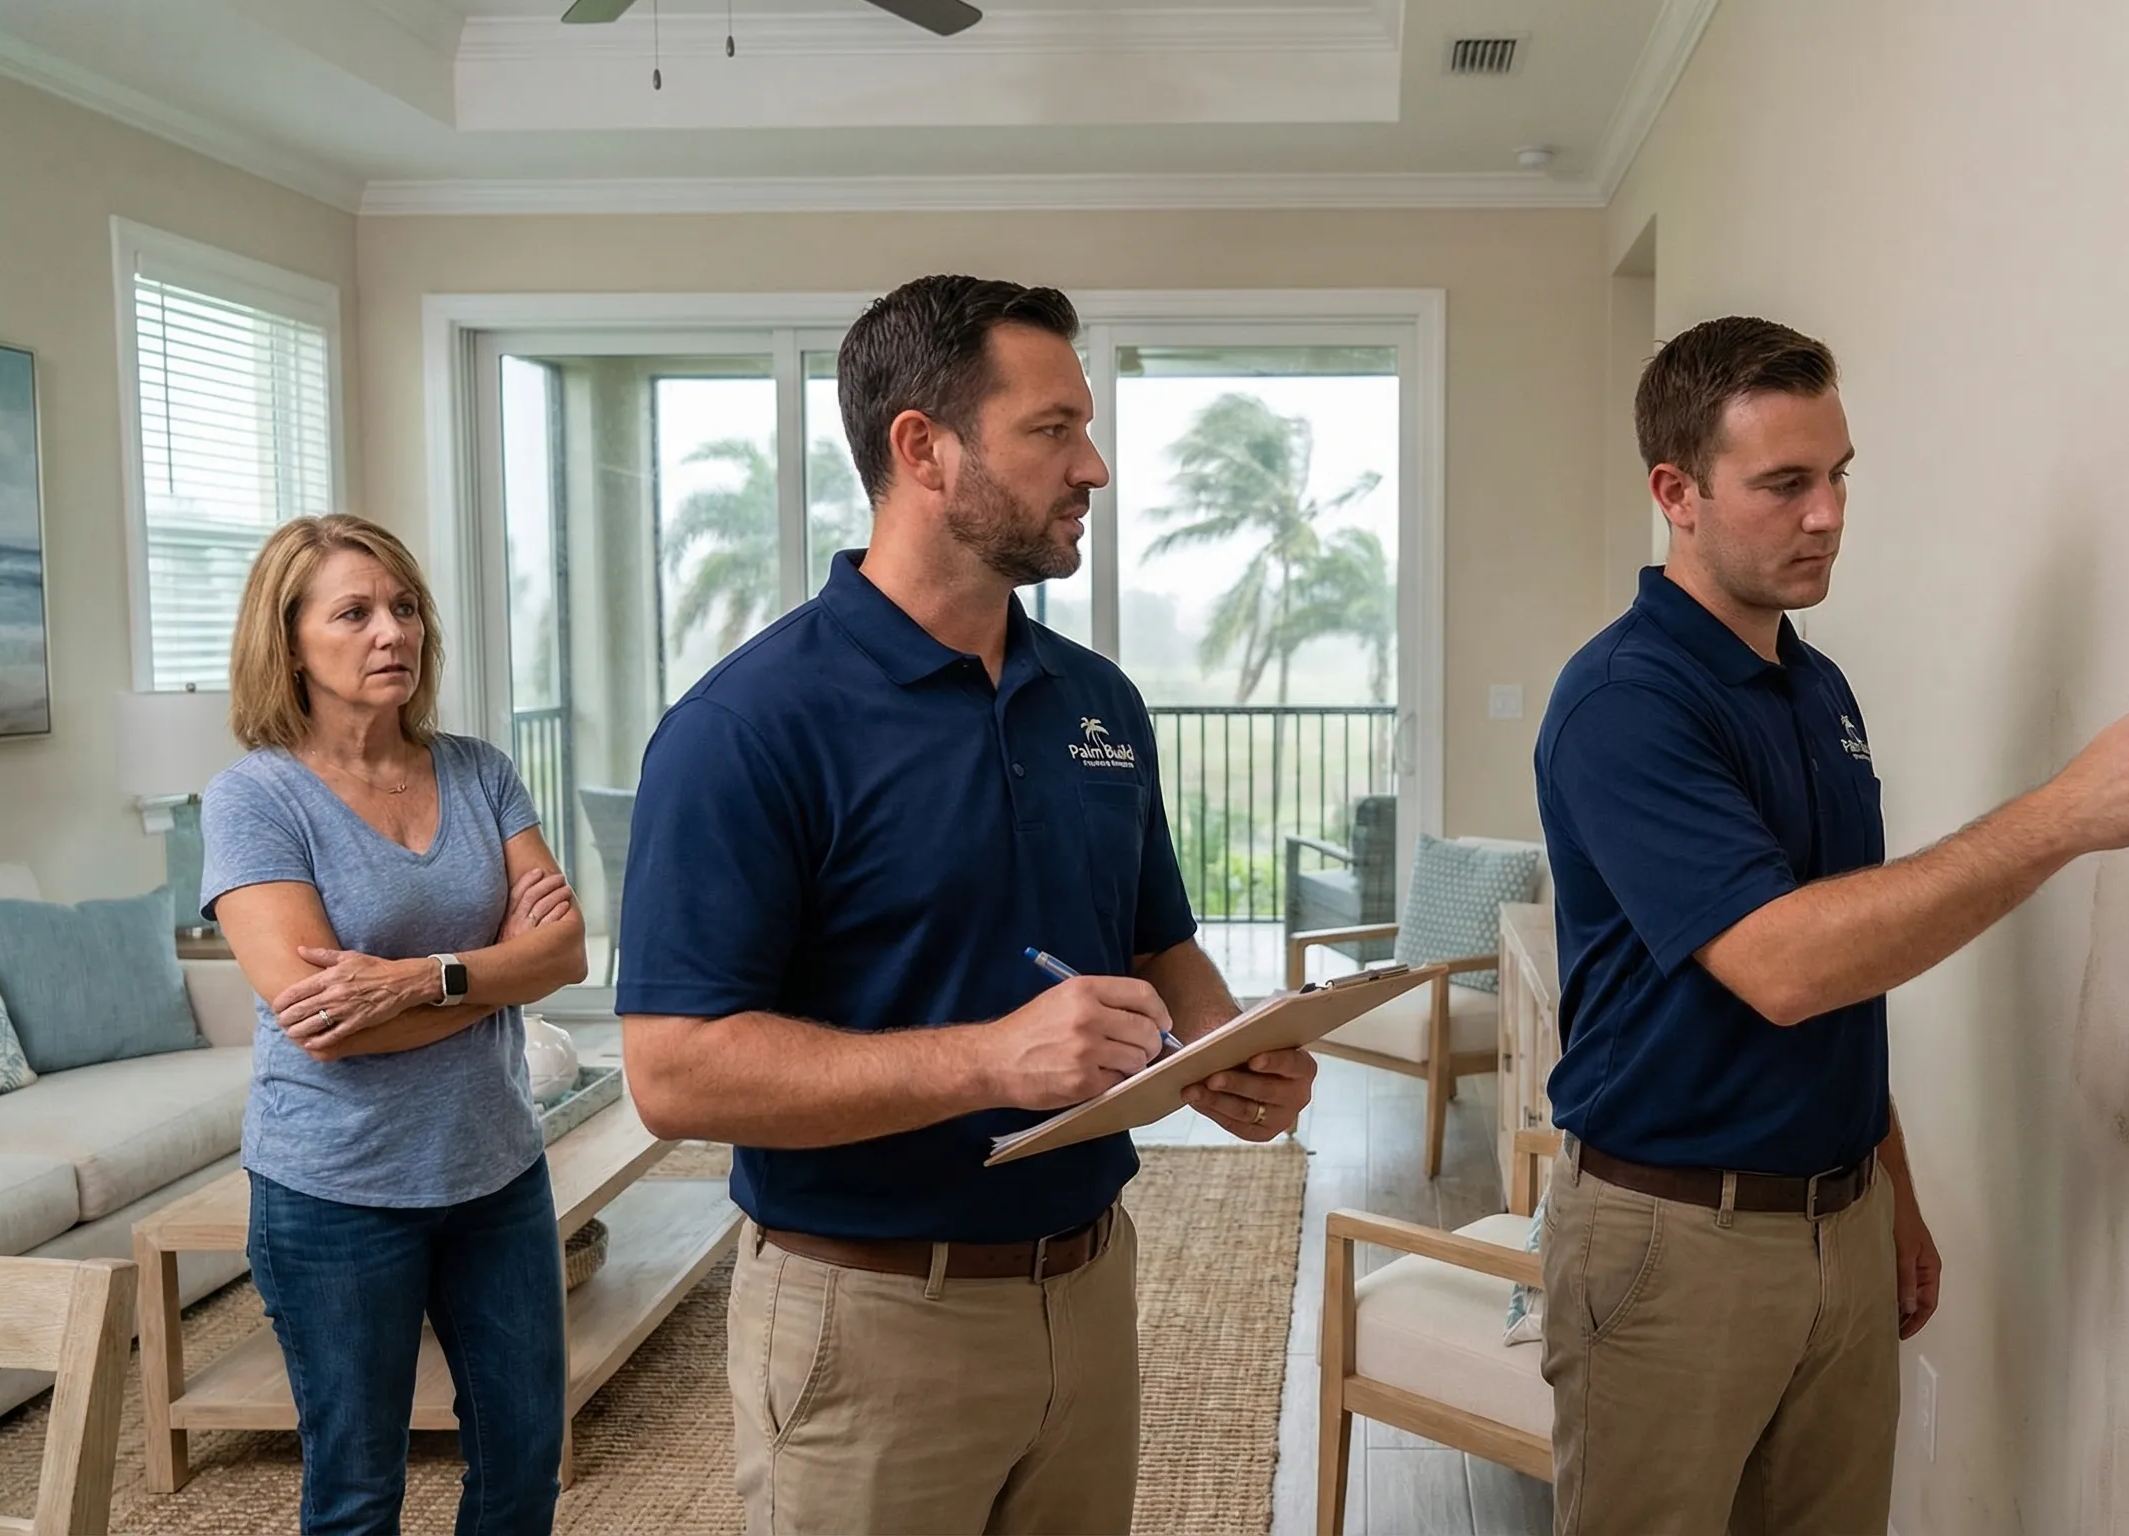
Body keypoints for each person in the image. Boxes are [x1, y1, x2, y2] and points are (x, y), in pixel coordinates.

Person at [616, 274, 1319, 1536]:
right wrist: (991, 1059)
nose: (1093, 466)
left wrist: (1222, 1054)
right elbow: (674, 1073)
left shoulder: (1099, 701)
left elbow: (1157, 937)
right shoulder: (745, 729)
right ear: (921, 449)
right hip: (866, 1321)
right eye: (1052, 430)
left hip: (1089, 1291)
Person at [1532, 317, 2129, 1535]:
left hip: (1839, 1220)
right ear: (1677, 494)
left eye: (1839, 476)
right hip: (1671, 1244)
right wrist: (2064, 814)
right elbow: (1784, 964)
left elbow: (1855, 960)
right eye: (1784, 485)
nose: (1827, 516)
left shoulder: (1815, 688)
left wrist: (1890, 1190)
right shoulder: (1624, 702)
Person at [201, 514, 590, 1536]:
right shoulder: (255, 799)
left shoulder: (478, 770)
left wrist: (419, 977)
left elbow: (566, 952)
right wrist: (492, 974)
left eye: (405, 607)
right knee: (357, 1493)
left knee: (522, 1467)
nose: (393, 634)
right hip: (335, 1193)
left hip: (496, 1171)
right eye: (356, 612)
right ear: (288, 640)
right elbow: (329, 1024)